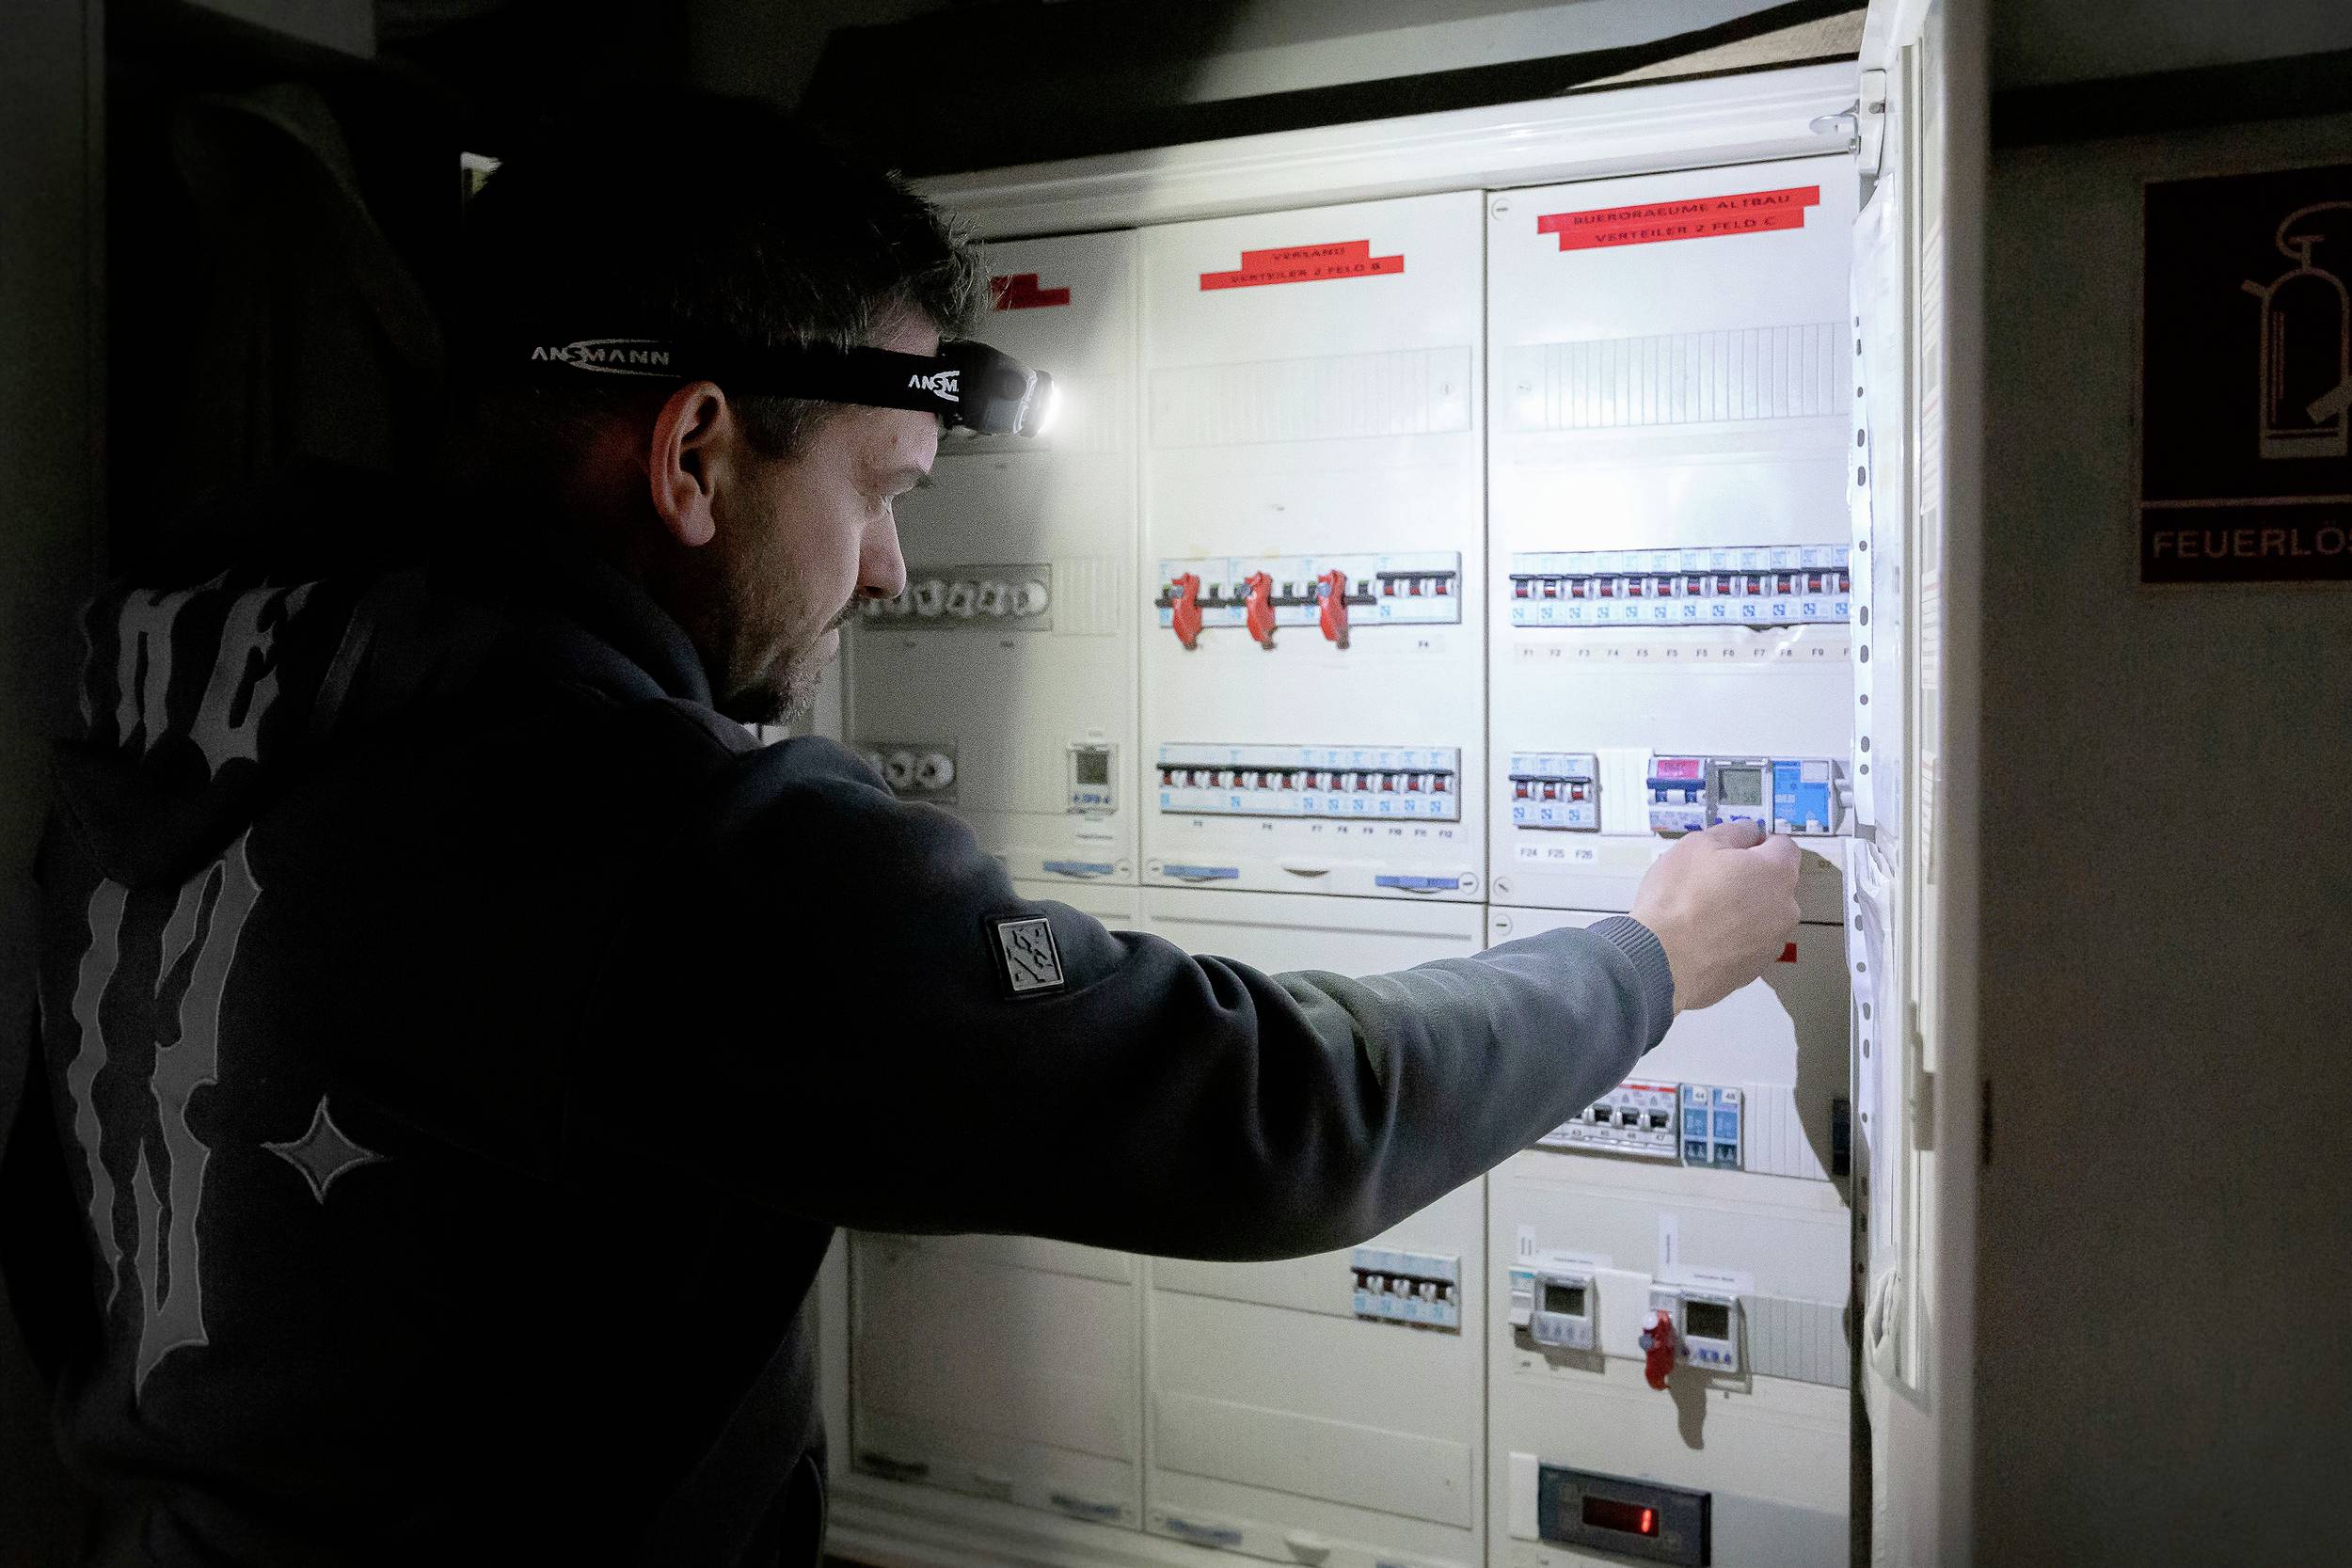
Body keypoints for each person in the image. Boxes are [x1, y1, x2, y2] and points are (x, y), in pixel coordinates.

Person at [0, 97, 1801, 1568]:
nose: (891, 569)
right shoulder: (662, 836)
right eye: (879, 491)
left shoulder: (171, 707)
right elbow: (1275, 1117)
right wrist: (1652, 956)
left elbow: (48, 1216)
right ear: (695, 452)